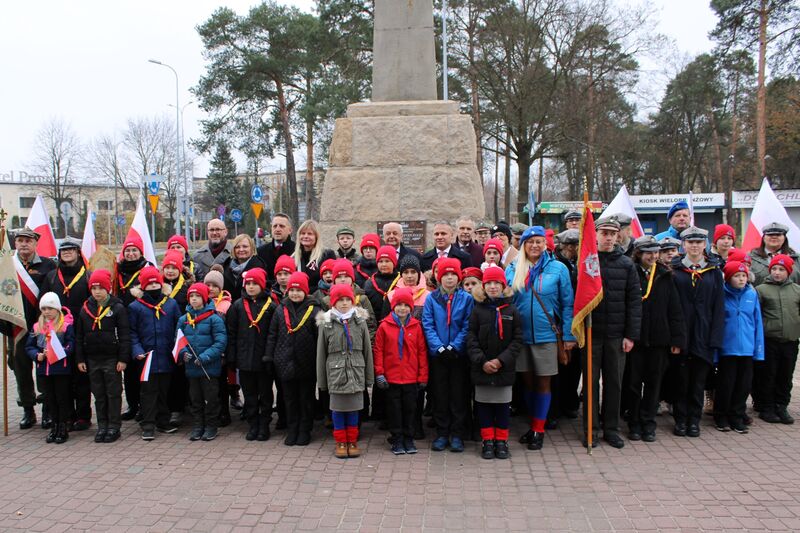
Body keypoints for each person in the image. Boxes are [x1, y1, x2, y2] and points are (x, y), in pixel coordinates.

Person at [505, 226, 576, 451]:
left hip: (547, 335)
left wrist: (568, 334)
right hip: (520, 336)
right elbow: (507, 300)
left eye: (539, 241)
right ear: (523, 245)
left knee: (544, 382)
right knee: (527, 382)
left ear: (545, 244)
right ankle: (532, 422)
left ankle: (538, 429)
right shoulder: (514, 268)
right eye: (530, 242)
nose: (535, 245)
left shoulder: (558, 268)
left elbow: (567, 304)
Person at [582, 216, 641, 449]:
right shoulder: (587, 262)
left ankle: (611, 428)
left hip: (616, 336)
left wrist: (630, 335)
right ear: (595, 234)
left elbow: (634, 302)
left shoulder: (626, 264)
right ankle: (590, 429)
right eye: (603, 233)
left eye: (612, 234)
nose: (607, 237)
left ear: (618, 236)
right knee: (590, 383)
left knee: (614, 383)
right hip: (591, 334)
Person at [626, 236, 686, 443]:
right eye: (647, 252)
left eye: (654, 252)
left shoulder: (666, 275)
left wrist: (677, 339)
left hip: (659, 339)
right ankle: (633, 422)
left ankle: (648, 423)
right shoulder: (630, 272)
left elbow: (675, 309)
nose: (652, 256)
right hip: (636, 339)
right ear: (638, 253)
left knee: (654, 384)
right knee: (633, 385)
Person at [670, 226, 725, 438]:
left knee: (698, 382)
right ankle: (680, 420)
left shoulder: (713, 272)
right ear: (683, 245)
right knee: (681, 380)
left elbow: (719, 308)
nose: (694, 246)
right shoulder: (674, 271)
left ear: (705, 245)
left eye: (698, 242)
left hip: (704, 335)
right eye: (690, 242)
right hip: (682, 334)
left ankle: (694, 420)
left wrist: (715, 338)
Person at [3, 228, 56, 431]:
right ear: (15, 244)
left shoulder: (48, 265)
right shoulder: (8, 265)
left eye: (28, 241)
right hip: (17, 328)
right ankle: (27, 409)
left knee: (44, 369)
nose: (24, 244)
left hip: (41, 328)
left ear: (35, 244)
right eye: (20, 241)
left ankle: (47, 409)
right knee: (21, 370)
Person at [468, 266, 522, 460]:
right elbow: (471, 337)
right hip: (482, 367)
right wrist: (482, 361)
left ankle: (501, 440)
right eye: (488, 283)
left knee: (502, 406)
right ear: (483, 286)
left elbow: (517, 340)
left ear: (503, 285)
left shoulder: (512, 310)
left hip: (503, 368)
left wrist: (501, 361)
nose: (492, 287)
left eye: (496, 283)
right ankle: (487, 440)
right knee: (483, 405)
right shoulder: (477, 310)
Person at [422, 258, 475, 453]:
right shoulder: (431, 299)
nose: (449, 278)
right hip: (438, 356)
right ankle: (442, 433)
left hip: (458, 356)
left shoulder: (466, 299)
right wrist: (439, 348)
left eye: (453, 274)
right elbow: (428, 325)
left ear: (459, 277)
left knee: (458, 395)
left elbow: (467, 325)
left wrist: (454, 346)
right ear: (439, 277)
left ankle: (457, 433)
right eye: (445, 275)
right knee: (440, 395)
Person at [317, 283, 374, 458]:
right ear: (333, 302)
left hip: (356, 373)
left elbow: (367, 350)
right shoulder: (326, 323)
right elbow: (321, 353)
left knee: (354, 410)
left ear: (353, 301)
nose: (344, 303)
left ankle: (352, 440)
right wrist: (322, 381)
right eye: (340, 300)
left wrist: (369, 377)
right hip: (336, 375)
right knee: (338, 411)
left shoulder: (360, 321)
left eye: (347, 299)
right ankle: (341, 442)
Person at [41, 237, 92, 431]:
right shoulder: (52, 277)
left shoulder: (87, 275)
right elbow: (43, 303)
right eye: (63, 251)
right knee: (63, 379)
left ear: (78, 253)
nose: (67, 253)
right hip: (57, 333)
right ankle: (66, 417)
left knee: (81, 376)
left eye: (71, 250)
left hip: (82, 331)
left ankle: (84, 417)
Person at [75, 270, 130, 443]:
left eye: (101, 288)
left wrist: (123, 358)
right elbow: (79, 336)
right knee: (98, 394)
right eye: (94, 288)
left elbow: (124, 335)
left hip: (112, 358)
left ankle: (114, 426)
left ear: (108, 288)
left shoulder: (117, 308)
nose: (97, 291)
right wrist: (80, 359)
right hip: (92, 358)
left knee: (113, 393)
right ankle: (102, 425)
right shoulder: (85, 309)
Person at [265, 271, 319, 446]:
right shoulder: (280, 309)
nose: (295, 293)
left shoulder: (315, 310)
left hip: (307, 363)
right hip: (285, 362)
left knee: (306, 399)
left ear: (305, 291)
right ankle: (292, 428)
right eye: (292, 290)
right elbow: (272, 335)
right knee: (289, 398)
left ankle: (305, 430)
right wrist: (269, 356)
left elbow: (320, 338)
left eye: (298, 290)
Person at [128, 266, 182, 441]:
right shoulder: (135, 307)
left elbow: (178, 327)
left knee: (164, 389)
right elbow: (132, 332)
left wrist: (176, 348)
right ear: (143, 287)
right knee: (148, 391)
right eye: (149, 285)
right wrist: (137, 350)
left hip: (166, 355)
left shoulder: (171, 304)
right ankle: (148, 423)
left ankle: (163, 420)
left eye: (155, 284)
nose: (153, 287)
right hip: (147, 357)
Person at [374, 287, 429, 455]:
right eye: (399, 305)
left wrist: (423, 376)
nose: (402, 308)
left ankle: (408, 437)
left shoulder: (416, 327)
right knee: (394, 410)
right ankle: (397, 438)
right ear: (393, 306)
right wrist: (380, 373)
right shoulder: (384, 326)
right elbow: (378, 351)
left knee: (410, 409)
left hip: (411, 378)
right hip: (392, 378)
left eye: (406, 305)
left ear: (411, 307)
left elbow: (422, 352)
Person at [226, 268, 276, 441]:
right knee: (249, 395)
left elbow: (273, 334)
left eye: (255, 284)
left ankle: (264, 425)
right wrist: (232, 357)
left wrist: (270, 357)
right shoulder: (237, 306)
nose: (251, 287)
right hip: (244, 360)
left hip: (263, 360)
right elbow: (231, 333)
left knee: (266, 393)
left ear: (262, 285)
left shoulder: (270, 306)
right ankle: (253, 424)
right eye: (248, 284)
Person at [716, 261, 764, 434]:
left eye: (744, 275)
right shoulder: (721, 294)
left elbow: (757, 322)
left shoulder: (751, 294)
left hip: (747, 349)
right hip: (727, 349)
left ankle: (737, 416)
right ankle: (721, 415)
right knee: (726, 384)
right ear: (728, 278)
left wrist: (758, 350)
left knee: (743, 385)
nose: (741, 279)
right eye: (737, 276)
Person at [177, 283, 227, 442]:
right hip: (192, 368)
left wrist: (205, 356)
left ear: (204, 298)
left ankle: (211, 426)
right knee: (195, 399)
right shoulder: (184, 319)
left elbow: (220, 342)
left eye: (197, 296)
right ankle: (198, 425)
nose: (194, 299)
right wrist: (183, 353)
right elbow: (178, 340)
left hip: (209, 368)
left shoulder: (214, 318)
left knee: (211, 399)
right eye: (191, 296)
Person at [755, 254, 800, 424]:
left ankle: (782, 405)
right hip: (770, 340)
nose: (777, 273)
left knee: (785, 375)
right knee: (769, 374)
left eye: (781, 269)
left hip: (790, 341)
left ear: (789, 271)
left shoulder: (796, 290)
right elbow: (757, 315)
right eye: (774, 269)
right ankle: (767, 407)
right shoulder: (762, 290)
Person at [25, 292, 74, 443]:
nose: (47, 312)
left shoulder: (65, 326)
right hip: (43, 370)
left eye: (50, 308)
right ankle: (54, 426)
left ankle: (62, 427)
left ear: (57, 309)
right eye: (44, 308)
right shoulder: (36, 326)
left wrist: (60, 352)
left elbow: (71, 344)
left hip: (60, 369)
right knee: (50, 399)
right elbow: (29, 346)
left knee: (62, 398)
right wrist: (37, 355)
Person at [550, 228, 581, 425]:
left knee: (575, 366)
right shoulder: (554, 265)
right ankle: (557, 405)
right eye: (570, 245)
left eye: (576, 245)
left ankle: (571, 403)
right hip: (559, 320)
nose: (574, 249)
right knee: (559, 366)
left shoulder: (583, 263)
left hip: (580, 318)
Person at [204, 266, 238, 426]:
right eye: (208, 285)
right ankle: (212, 412)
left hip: (220, 353)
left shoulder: (227, 306)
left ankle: (224, 413)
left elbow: (230, 330)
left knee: (221, 386)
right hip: (204, 351)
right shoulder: (200, 302)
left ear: (221, 288)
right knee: (209, 386)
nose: (210, 289)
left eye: (214, 286)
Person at [292, 219, 336, 292]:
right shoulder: (293, 257)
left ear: (316, 236)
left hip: (319, 297)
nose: (305, 236)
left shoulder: (327, 255)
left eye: (310, 234)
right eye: (303, 233)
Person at [364, 246, 401, 322]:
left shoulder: (401, 281)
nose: (384, 264)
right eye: (380, 261)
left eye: (387, 261)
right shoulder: (369, 283)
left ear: (394, 263)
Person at [386, 255, 429, 319]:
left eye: (413, 272)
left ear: (419, 274)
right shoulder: (391, 295)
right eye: (406, 272)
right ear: (401, 275)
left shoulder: (428, 296)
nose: (409, 276)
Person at [224, 234, 267, 299]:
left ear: (252, 248)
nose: (241, 249)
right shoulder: (226, 265)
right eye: (237, 247)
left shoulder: (259, 267)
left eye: (245, 246)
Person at [256, 213, 296, 283]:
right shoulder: (261, 251)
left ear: (290, 230)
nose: (277, 229)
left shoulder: (297, 250)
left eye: (281, 226)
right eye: (275, 226)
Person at [115, 236, 150, 307]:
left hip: (140, 310)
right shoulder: (117, 268)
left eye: (134, 250)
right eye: (127, 250)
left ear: (140, 253)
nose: (131, 254)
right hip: (120, 311)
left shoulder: (148, 267)